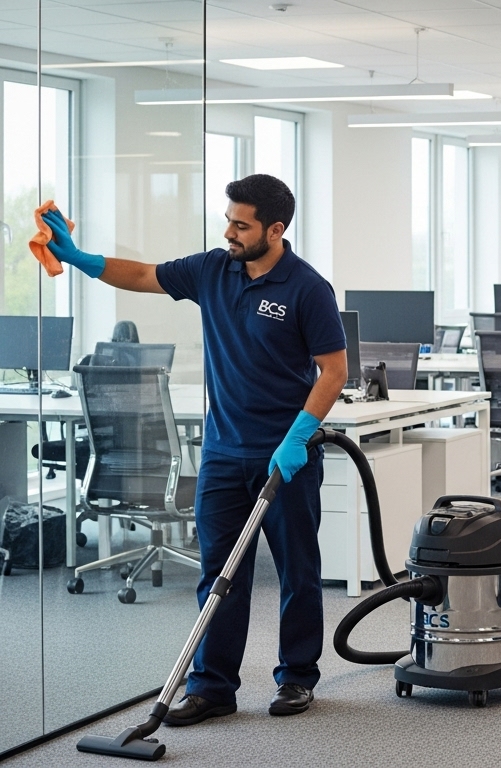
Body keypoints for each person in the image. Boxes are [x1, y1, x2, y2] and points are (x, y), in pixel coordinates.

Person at [42, 175, 347, 725]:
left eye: (241, 223)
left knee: (298, 570)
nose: (228, 231)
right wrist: (83, 259)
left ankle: (297, 677)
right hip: (224, 455)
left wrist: (299, 435)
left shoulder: (307, 288)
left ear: (275, 230)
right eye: (228, 218)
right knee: (218, 573)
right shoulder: (212, 269)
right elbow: (142, 274)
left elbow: (334, 370)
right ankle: (212, 686)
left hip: (285, 456)